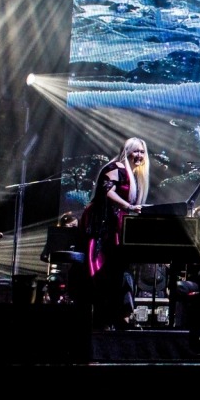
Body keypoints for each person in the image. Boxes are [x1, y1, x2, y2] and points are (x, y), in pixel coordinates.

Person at [82, 136, 150, 330]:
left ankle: (121, 316)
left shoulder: (131, 174)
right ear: (127, 151)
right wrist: (128, 206)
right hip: (103, 223)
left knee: (119, 269)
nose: (139, 155)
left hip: (115, 222)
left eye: (142, 152)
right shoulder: (117, 168)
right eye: (136, 151)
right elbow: (106, 191)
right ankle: (107, 317)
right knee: (106, 268)